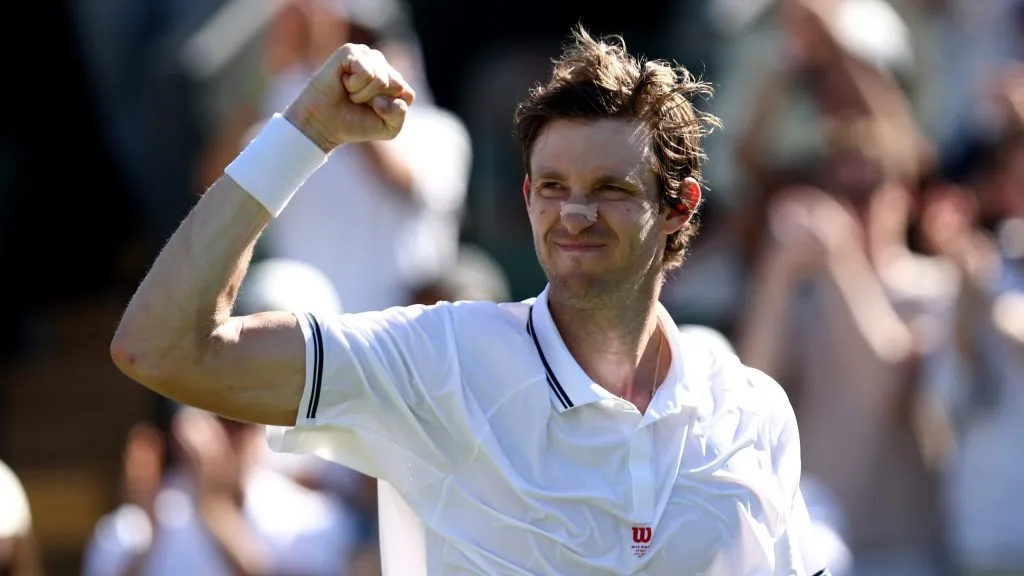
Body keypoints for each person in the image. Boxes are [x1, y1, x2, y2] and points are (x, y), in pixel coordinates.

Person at [110, 26, 830, 574]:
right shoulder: (437, 358)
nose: (574, 214)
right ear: (528, 198)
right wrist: (302, 135)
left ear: (679, 208)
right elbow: (162, 346)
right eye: (553, 188)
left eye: (610, 189)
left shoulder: (754, 410)